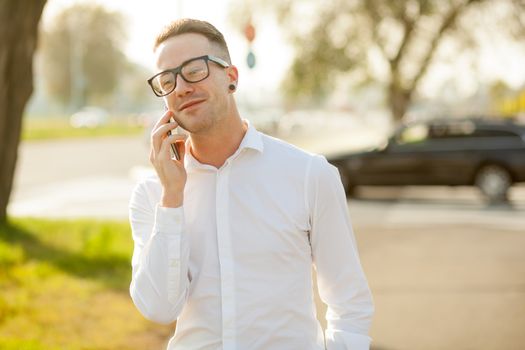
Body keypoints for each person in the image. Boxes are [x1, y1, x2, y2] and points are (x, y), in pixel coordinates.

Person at [129, 18, 374, 350]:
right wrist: (173, 197)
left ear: (231, 77)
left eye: (194, 70)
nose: (182, 87)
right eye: (167, 80)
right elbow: (159, 308)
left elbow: (350, 302)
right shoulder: (152, 194)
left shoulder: (308, 175)